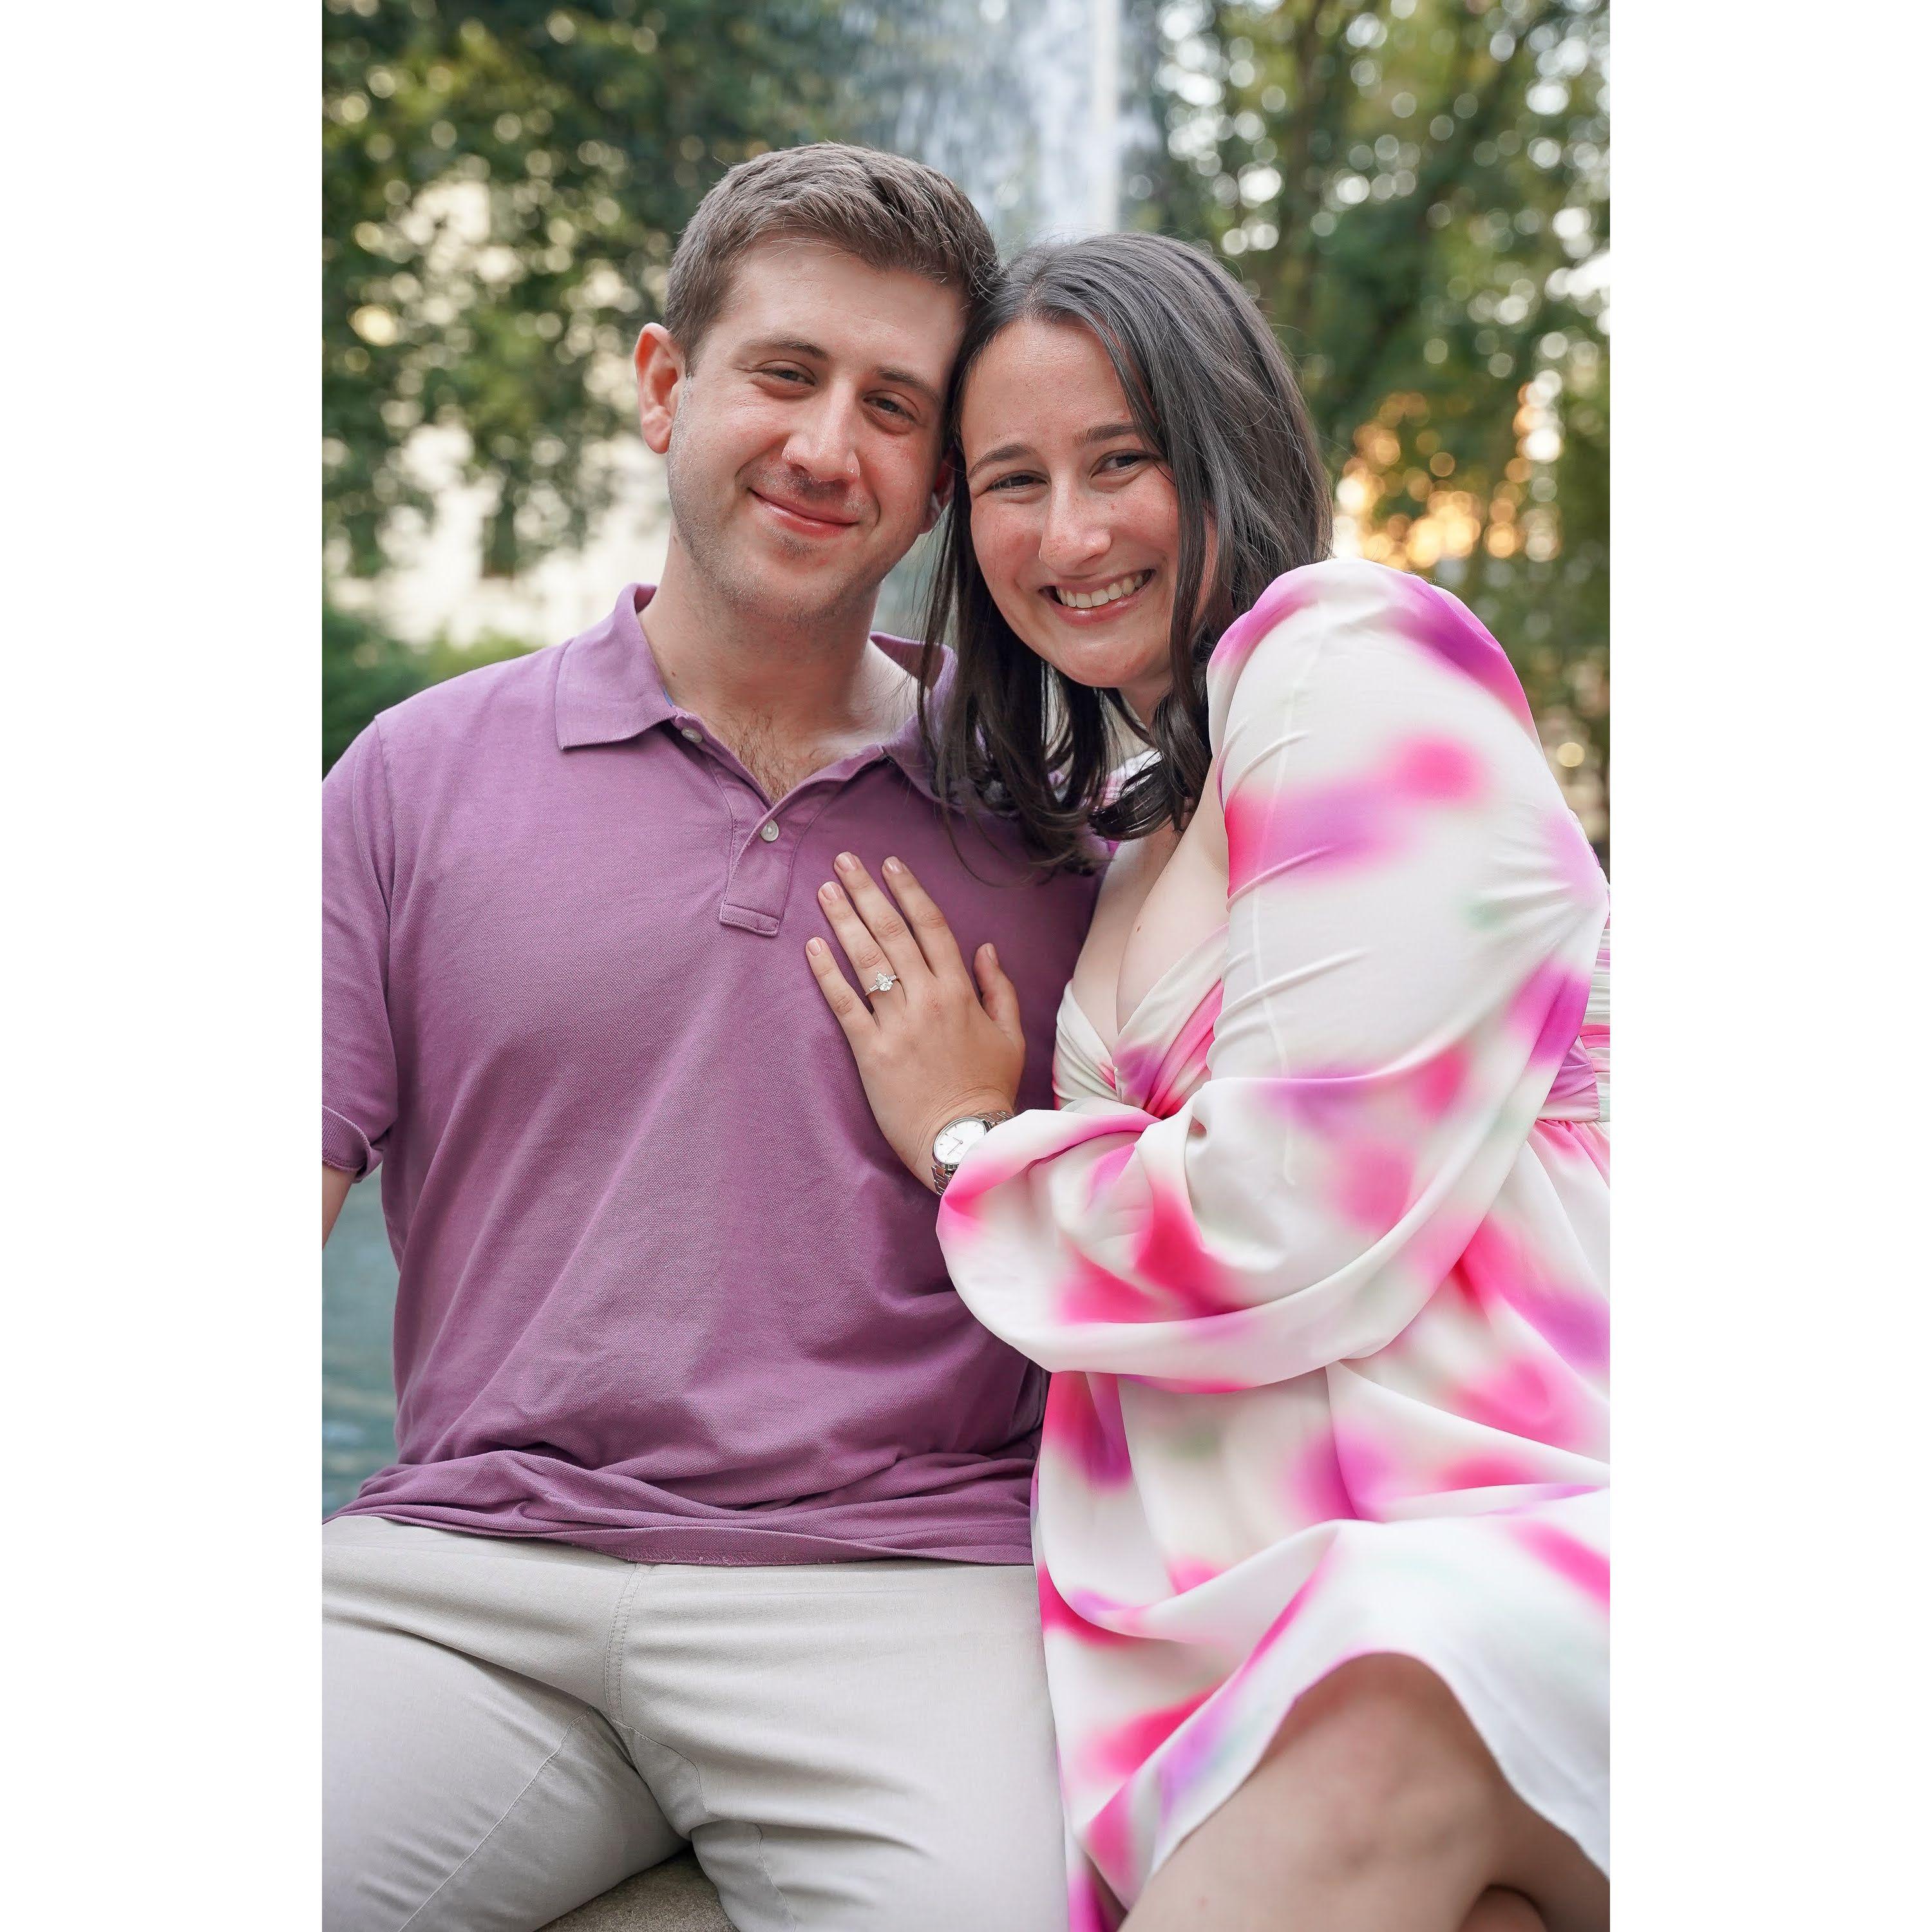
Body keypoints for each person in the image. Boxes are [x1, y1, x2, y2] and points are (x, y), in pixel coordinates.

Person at [321, 144, 1100, 1932]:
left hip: (902, 1589)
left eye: (894, 408)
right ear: (668, 383)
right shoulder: (410, 782)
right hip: (466, 1573)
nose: (830, 448)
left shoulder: (1059, 826)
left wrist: (984, 1136)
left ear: (937, 485)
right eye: (786, 374)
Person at [805, 232, 1611, 1932]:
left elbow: (1284, 1225)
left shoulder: (1353, 657)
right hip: (1255, 1602)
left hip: (1474, 1551)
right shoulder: (1151, 821)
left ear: (1227, 443)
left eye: (1122, 462)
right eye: (1010, 483)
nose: (1069, 536)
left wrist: (975, 1137)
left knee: (1376, 1710)